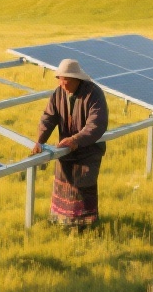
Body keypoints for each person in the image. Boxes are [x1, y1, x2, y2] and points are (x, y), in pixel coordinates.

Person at [31, 59, 109, 230]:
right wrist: (40, 141)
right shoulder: (58, 93)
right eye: (60, 80)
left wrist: (76, 140)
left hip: (88, 150)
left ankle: (85, 226)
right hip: (66, 150)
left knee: (83, 186)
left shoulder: (94, 94)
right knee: (64, 186)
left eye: (66, 80)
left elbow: (96, 124)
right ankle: (62, 222)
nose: (63, 84)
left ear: (77, 79)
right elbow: (48, 118)